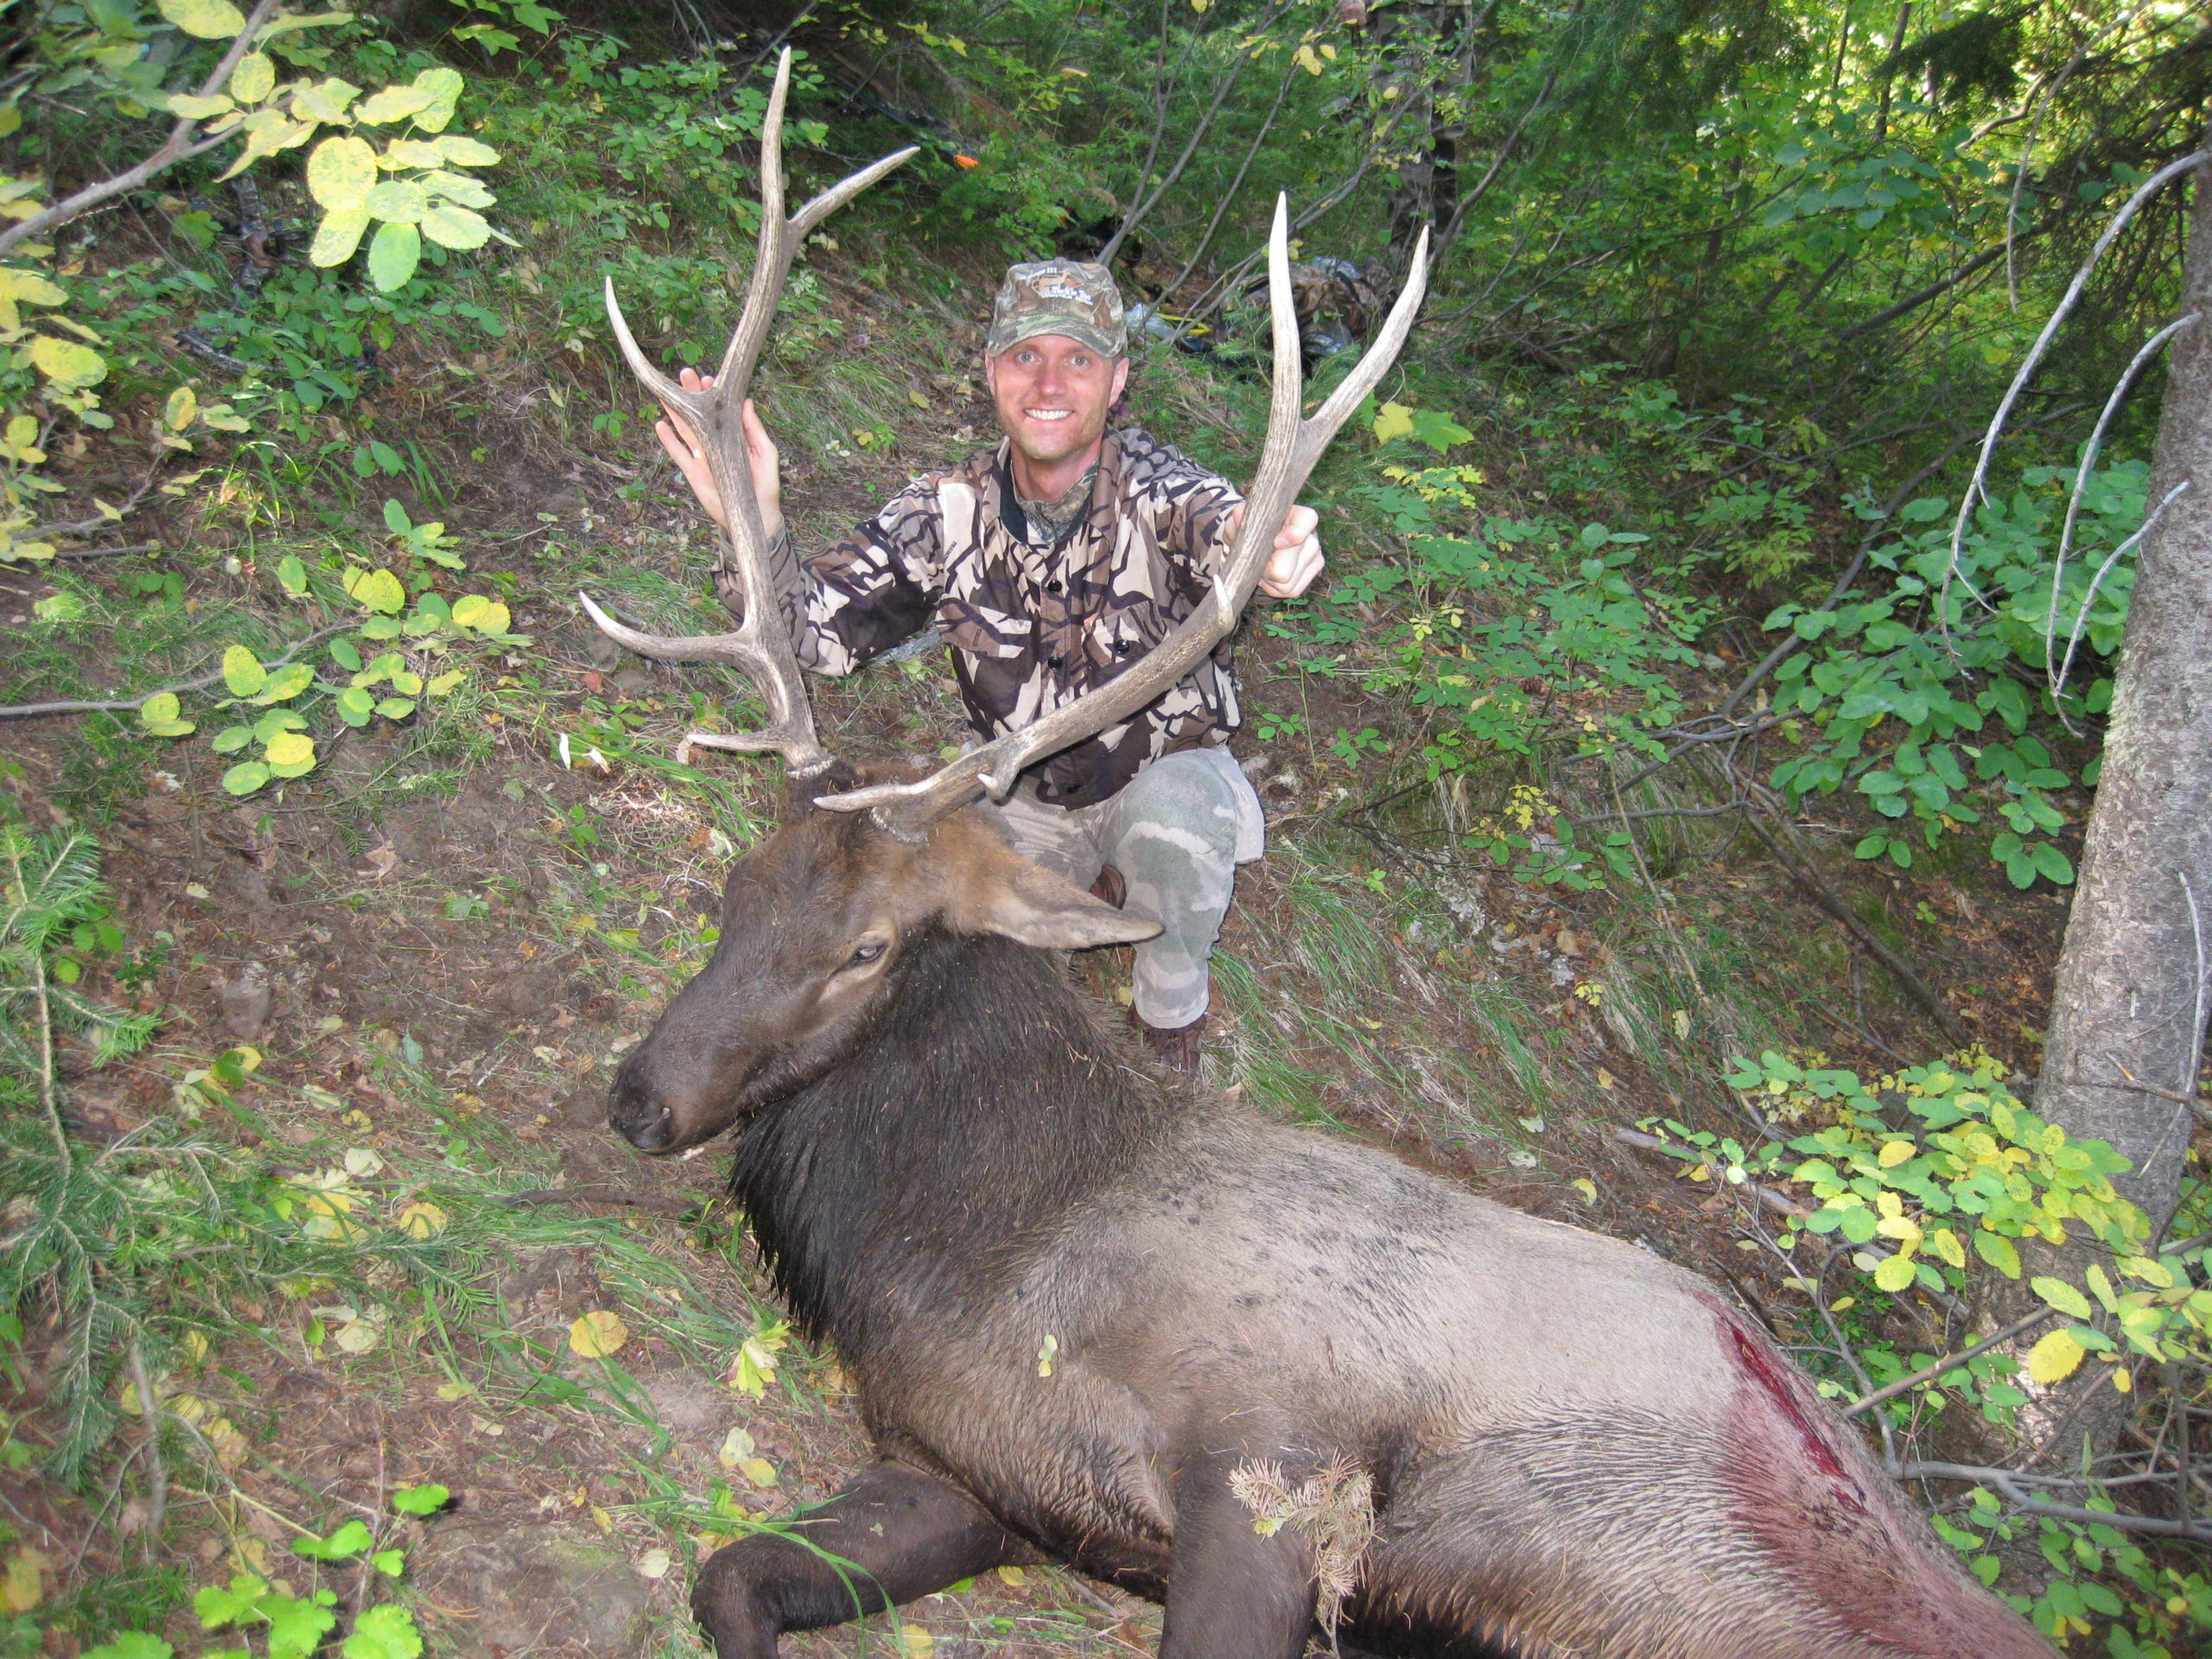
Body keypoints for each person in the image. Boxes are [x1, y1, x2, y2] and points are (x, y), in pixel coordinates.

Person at [657, 259, 1325, 1072]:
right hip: (1019, 794)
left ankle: (1168, 1029)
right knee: (944, 937)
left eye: (1078, 360)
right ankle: (1078, 907)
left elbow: (1226, 527)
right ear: (991, 371)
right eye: (1025, 357)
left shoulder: (1164, 494)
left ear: (1117, 380)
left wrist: (1268, 549)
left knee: (1177, 824)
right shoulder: (946, 510)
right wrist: (755, 526)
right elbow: (822, 636)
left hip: (1161, 771)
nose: (1050, 382)